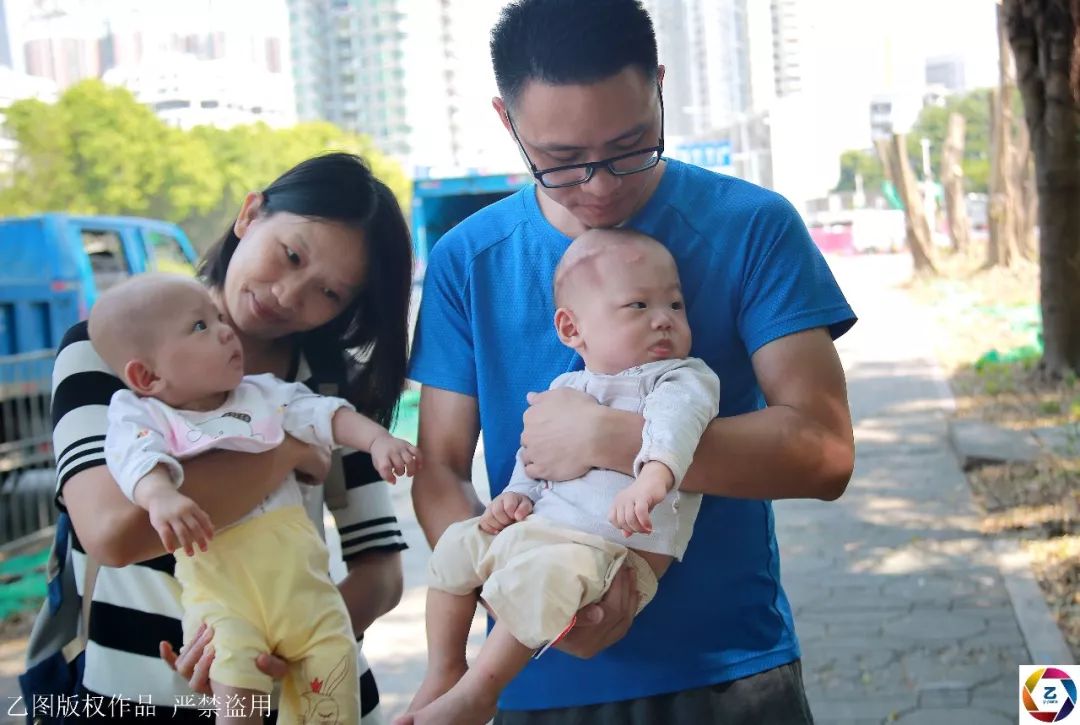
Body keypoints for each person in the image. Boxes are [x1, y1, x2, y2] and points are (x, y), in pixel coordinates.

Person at [407, 1, 857, 723]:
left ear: (661, 87)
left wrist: (605, 438)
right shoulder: (470, 259)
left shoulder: (752, 226)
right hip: (535, 680)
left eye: (631, 145)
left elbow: (825, 452)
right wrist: (523, 592)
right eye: (559, 162)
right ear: (507, 120)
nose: (601, 185)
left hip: (727, 669)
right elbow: (439, 467)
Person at [50, 152, 413, 723]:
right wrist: (287, 453)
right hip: (137, 698)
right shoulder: (109, 354)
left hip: (312, 696)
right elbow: (114, 533)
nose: (290, 294)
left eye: (329, 294)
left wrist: (287, 648)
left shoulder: (325, 386)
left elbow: (382, 571)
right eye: (290, 255)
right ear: (250, 214)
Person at [399, 229, 720, 725]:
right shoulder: (566, 385)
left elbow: (677, 426)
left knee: (543, 578)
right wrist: (512, 499)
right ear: (572, 329)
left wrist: (653, 476)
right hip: (543, 536)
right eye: (638, 306)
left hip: (614, 555)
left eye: (676, 305)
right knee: (458, 546)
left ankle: (481, 691)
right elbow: (534, 458)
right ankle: (445, 669)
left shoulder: (679, 377)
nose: (664, 320)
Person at [88, 274, 421, 724]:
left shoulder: (264, 394)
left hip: (302, 587)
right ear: (146, 375)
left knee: (332, 677)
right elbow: (134, 458)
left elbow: (326, 416)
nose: (225, 330)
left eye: (218, 318)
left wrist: (378, 440)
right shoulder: (141, 414)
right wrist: (159, 495)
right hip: (223, 596)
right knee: (235, 687)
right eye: (200, 327)